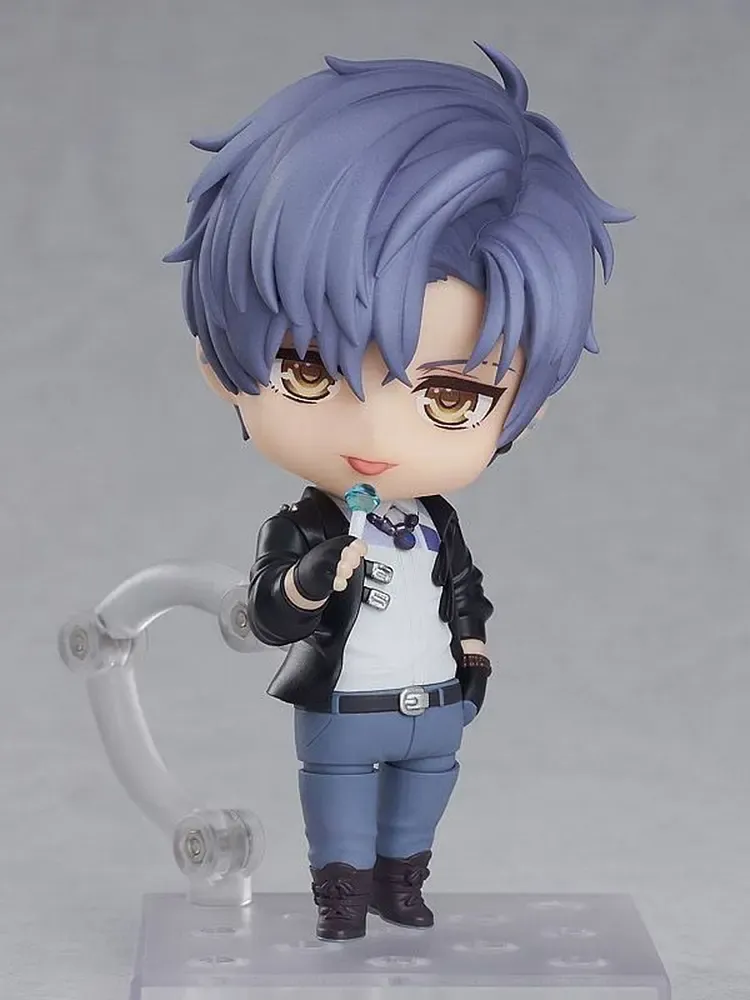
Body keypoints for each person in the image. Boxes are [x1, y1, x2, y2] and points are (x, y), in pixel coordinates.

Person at [165, 43, 630, 940]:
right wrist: (309, 583)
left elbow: (464, 586)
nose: (377, 436)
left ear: (525, 410)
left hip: (434, 701)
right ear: (221, 361)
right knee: (337, 796)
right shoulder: (302, 522)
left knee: (427, 789)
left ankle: (403, 883)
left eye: (450, 397)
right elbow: (269, 610)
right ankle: (341, 896)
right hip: (343, 705)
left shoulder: (436, 520)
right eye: (309, 371)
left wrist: (474, 651)